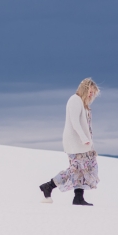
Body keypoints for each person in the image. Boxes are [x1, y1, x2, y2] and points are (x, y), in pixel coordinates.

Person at [40, 78, 100, 206]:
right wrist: (84, 139)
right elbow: (75, 122)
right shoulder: (75, 100)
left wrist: (89, 142)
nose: (91, 95)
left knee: (83, 171)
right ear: (84, 89)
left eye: (93, 93)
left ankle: (78, 198)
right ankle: (49, 186)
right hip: (76, 143)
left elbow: (87, 126)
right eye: (90, 92)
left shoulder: (83, 104)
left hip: (83, 144)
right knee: (75, 170)